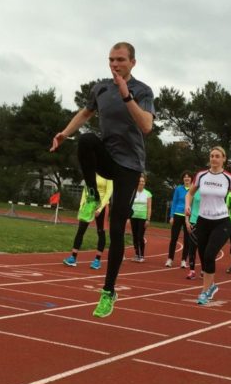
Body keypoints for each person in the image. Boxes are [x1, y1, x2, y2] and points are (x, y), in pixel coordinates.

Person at [50, 42, 155, 318]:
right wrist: (64, 132)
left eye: (120, 59)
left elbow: (146, 126)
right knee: (85, 139)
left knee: (118, 227)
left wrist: (126, 96)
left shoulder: (143, 91)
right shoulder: (100, 88)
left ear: (133, 62)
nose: (114, 64)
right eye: (111, 59)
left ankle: (108, 291)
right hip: (108, 158)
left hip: (130, 167)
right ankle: (93, 196)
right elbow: (86, 113)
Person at [185, 146, 231, 305]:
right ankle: (211, 285)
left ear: (224, 159)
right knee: (204, 256)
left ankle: (204, 291)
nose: (214, 159)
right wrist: (187, 205)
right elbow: (190, 193)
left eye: (217, 156)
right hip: (203, 221)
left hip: (221, 222)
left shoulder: (228, 177)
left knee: (210, 254)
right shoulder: (201, 175)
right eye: (212, 156)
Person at [63, 174, 113, 269]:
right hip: (89, 205)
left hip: (101, 205)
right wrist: (81, 206)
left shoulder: (107, 174)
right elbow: (85, 190)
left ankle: (97, 260)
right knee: (80, 230)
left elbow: (109, 192)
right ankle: (73, 257)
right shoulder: (90, 172)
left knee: (100, 231)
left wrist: (100, 208)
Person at [165, 171, 192, 268]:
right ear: (183, 179)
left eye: (188, 177)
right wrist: (171, 216)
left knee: (187, 239)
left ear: (191, 179)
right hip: (177, 214)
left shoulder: (193, 189)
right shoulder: (178, 189)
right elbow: (174, 202)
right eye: (185, 177)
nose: (187, 178)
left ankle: (184, 260)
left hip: (188, 216)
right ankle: (170, 259)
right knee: (174, 238)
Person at [130, 173, 152, 262]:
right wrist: (128, 217)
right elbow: (130, 204)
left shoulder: (148, 194)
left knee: (140, 236)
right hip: (133, 217)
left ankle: (141, 255)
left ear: (145, 183)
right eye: (140, 181)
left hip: (143, 218)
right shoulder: (133, 192)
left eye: (143, 181)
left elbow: (149, 207)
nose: (141, 183)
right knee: (135, 236)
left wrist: (148, 219)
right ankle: (136, 254)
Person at [184, 189, 201, 280]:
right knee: (192, 247)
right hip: (193, 222)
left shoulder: (210, 192)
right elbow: (187, 206)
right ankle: (192, 271)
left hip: (206, 223)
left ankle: (204, 270)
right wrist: (187, 221)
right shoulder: (194, 192)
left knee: (204, 248)